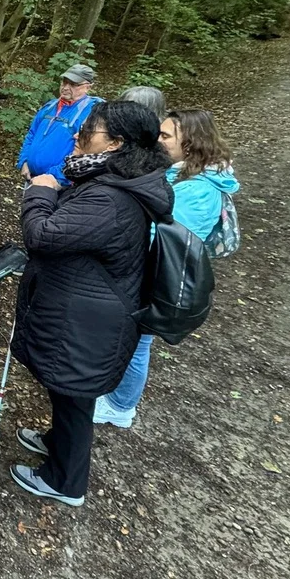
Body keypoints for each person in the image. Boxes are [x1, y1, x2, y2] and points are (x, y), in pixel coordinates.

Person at [9, 101, 174, 507]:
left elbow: (43, 235)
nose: (78, 140)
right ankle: (56, 442)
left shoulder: (110, 199)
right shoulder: (115, 180)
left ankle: (65, 481)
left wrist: (39, 193)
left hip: (87, 320)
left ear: (116, 143)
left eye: (87, 134)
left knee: (74, 395)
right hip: (84, 308)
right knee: (67, 393)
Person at [95, 108, 240, 428]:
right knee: (131, 340)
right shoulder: (183, 173)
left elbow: (157, 234)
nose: (157, 140)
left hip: (158, 275)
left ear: (190, 142)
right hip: (148, 270)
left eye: (165, 136)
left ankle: (120, 406)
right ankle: (115, 396)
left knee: (137, 344)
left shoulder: (199, 190)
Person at [17, 64, 102, 186]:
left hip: (61, 183)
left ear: (88, 87)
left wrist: (52, 176)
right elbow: (32, 134)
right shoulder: (50, 106)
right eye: (64, 82)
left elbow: (87, 150)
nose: (66, 87)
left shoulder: (92, 112)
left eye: (73, 84)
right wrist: (24, 162)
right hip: (32, 178)